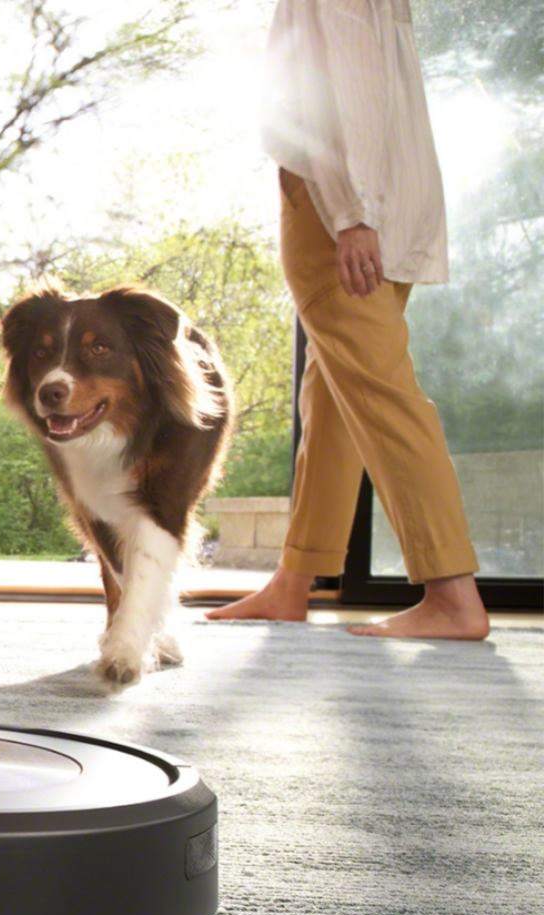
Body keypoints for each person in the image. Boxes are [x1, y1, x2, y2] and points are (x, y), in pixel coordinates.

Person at [208, 0, 489, 639]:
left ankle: (452, 594)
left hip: (343, 202)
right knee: (335, 393)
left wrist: (350, 213)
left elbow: (340, 88)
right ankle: (293, 581)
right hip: (392, 197)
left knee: (383, 393)